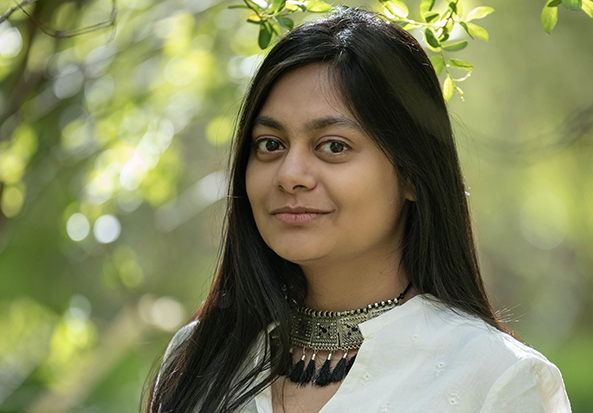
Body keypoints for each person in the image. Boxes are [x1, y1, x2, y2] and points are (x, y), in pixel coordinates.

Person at [144, 7, 571, 413]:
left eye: (334, 146)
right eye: (270, 145)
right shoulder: (201, 359)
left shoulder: (497, 377)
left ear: (411, 174)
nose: (290, 175)